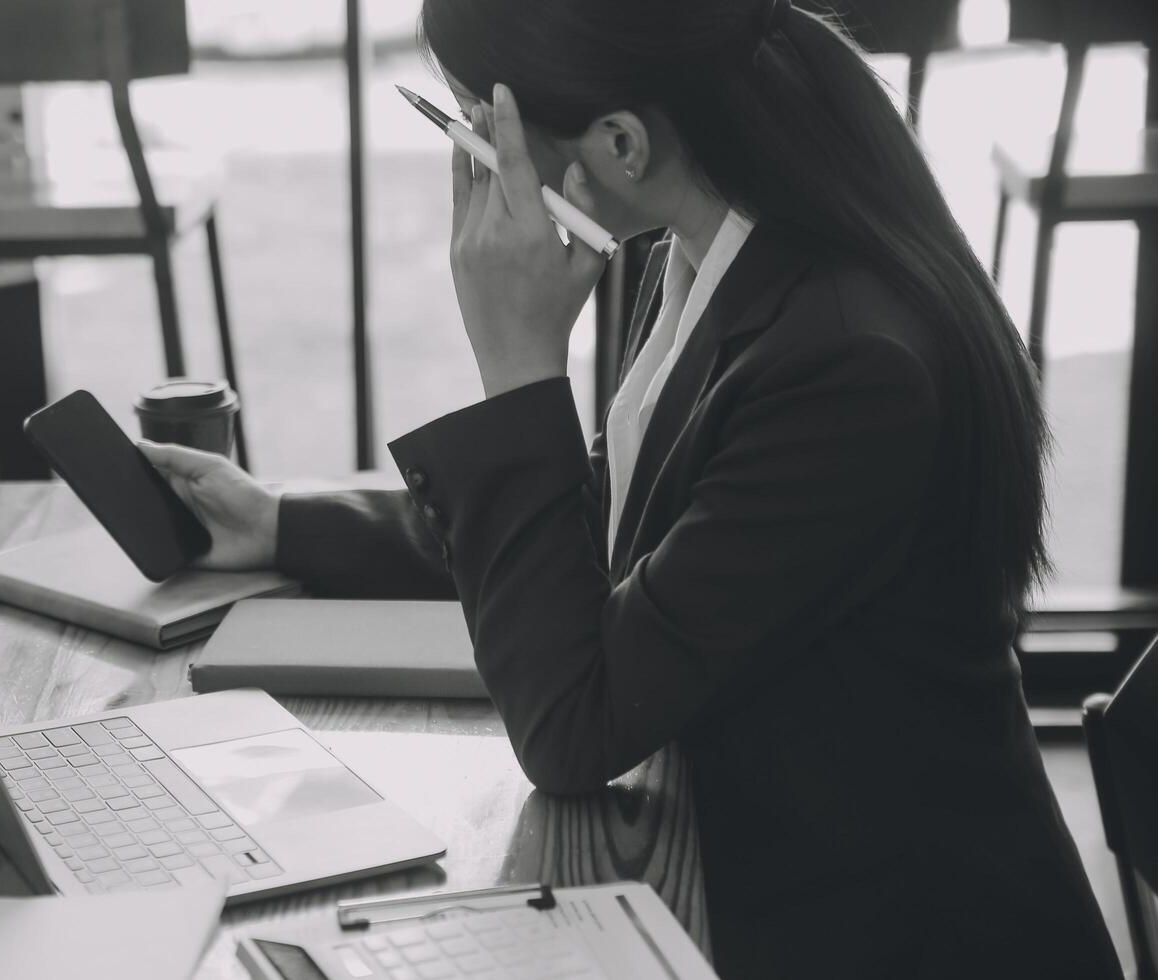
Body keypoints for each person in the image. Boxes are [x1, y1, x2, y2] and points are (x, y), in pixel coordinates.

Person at [139, 1, 1123, 976]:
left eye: (480, 131)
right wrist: (282, 524)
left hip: (894, 932)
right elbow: (608, 533)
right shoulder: (723, 252)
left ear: (618, 144)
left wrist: (520, 364)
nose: (476, 169)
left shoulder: (848, 366)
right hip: (756, 847)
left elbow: (575, 727)